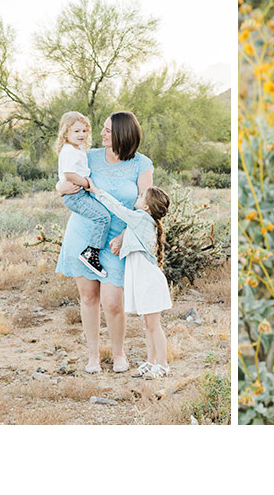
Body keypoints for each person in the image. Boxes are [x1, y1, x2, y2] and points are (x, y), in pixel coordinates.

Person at [56, 111, 153, 374]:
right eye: (102, 129)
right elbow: (65, 181)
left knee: (112, 301)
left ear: (123, 133)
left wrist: (126, 236)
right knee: (88, 297)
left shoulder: (141, 164)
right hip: (84, 234)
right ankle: (93, 356)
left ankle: (118, 353)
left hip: (118, 240)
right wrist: (60, 189)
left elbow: (147, 206)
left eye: (108, 130)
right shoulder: (89, 156)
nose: (101, 134)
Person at [85, 182, 173, 379]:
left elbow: (118, 209)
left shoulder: (141, 218)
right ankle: (151, 362)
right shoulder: (142, 220)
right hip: (143, 280)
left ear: (147, 207)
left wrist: (98, 192)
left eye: (142, 196)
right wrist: (119, 243)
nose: (138, 196)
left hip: (148, 281)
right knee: (148, 325)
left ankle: (163, 365)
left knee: (154, 325)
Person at [55, 111, 110, 278]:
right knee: (102, 218)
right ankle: (91, 253)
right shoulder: (70, 151)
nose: (81, 135)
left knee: (101, 215)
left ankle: (91, 252)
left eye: (84, 131)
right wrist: (87, 183)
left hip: (76, 194)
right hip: (75, 195)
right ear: (66, 132)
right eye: (76, 131)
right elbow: (70, 175)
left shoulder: (77, 148)